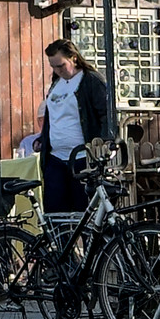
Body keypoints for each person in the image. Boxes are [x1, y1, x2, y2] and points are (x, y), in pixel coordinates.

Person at [35, 39, 109, 212]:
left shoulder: (90, 80)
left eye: (61, 65)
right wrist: (43, 139)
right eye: (53, 67)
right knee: (56, 212)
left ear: (74, 58)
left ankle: (89, 240)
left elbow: (106, 113)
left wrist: (105, 141)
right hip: (56, 157)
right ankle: (61, 240)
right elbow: (52, 116)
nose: (57, 71)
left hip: (83, 157)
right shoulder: (56, 83)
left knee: (85, 211)